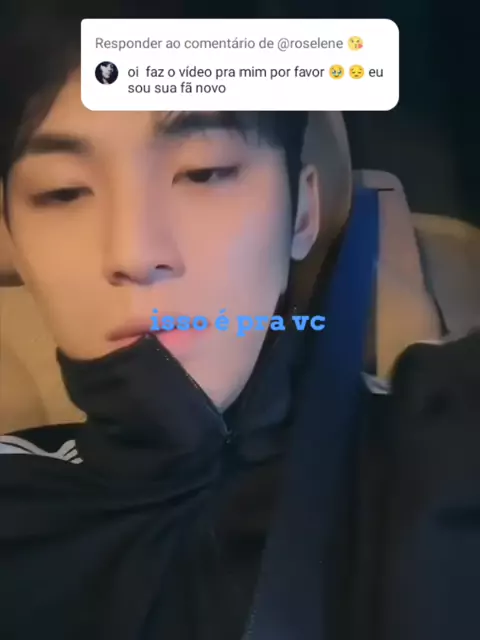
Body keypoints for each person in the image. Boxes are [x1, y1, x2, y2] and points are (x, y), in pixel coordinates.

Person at [1, 14, 480, 640]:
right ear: (13, 243)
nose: (134, 253)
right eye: (63, 192)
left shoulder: (439, 442)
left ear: (302, 214)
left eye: (204, 172)